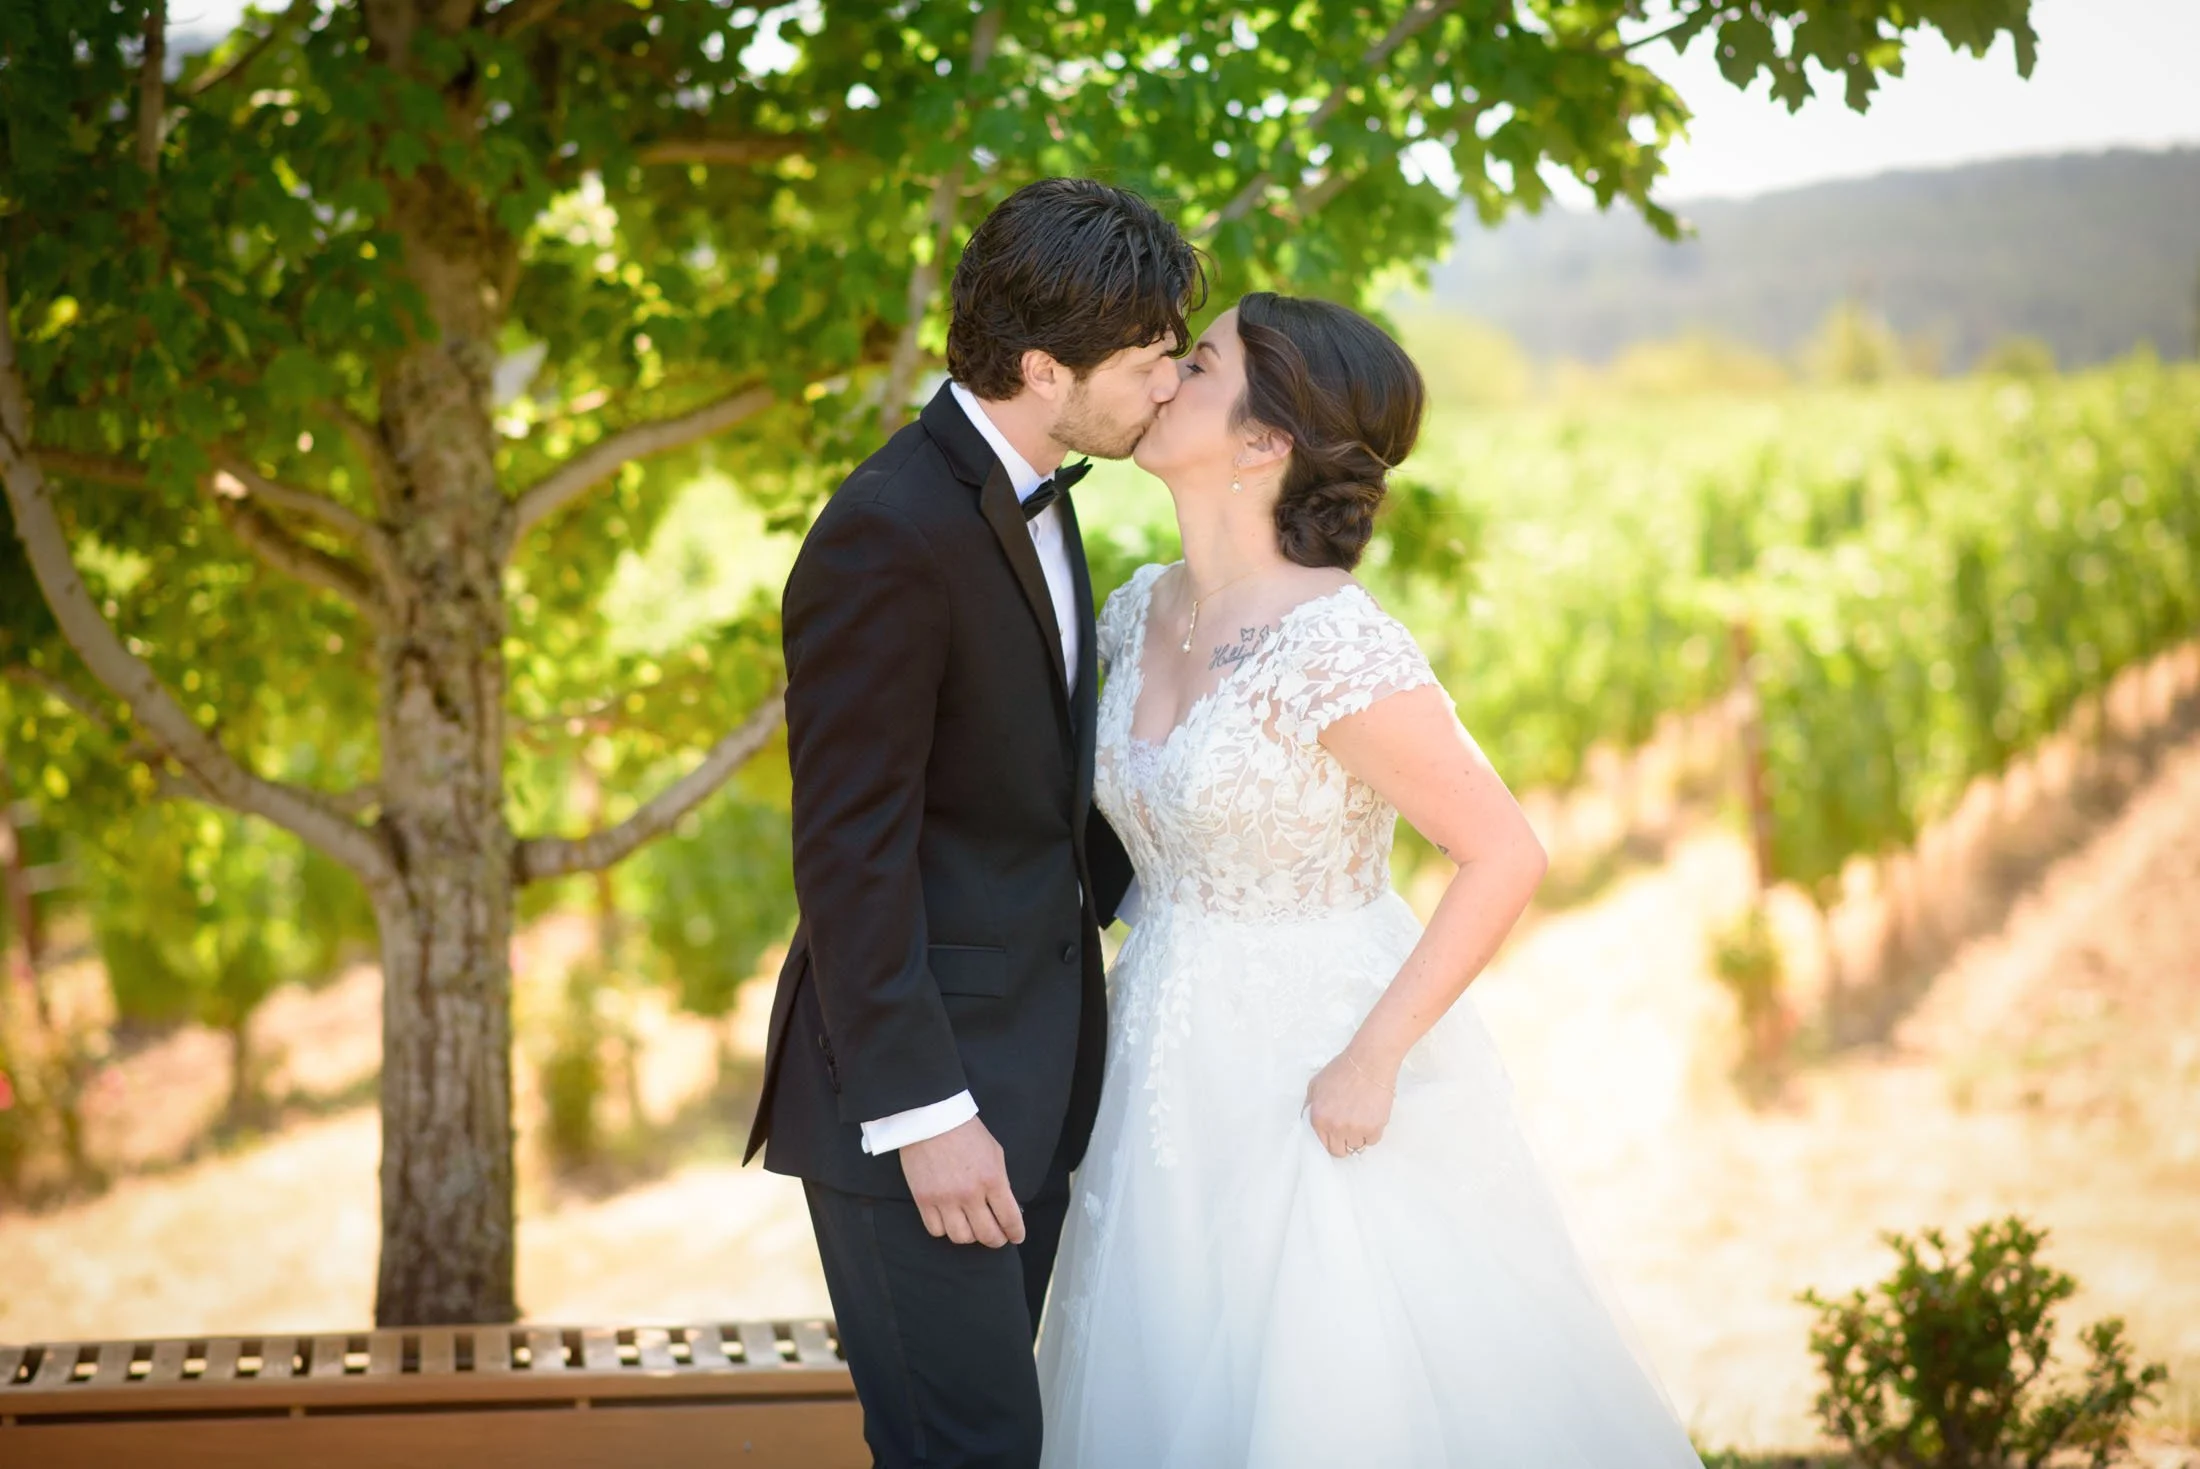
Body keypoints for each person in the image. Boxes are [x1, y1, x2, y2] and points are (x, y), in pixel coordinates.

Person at [1033, 292, 1707, 1467]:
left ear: (1263, 442)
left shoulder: (1333, 644)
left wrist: (1374, 1056)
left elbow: (1504, 851)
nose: (1162, 376)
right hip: (1155, 1059)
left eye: (1198, 364)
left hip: (1310, 1063)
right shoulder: (1140, 605)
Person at [742, 177, 1206, 1469]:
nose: (1169, 382)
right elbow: (850, 850)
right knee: (969, 1450)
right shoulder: (885, 531)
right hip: (918, 1106)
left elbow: (1028, 805)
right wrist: (924, 1113)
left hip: (1035, 1080)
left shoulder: (1045, 493)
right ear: (1045, 368)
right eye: (1149, 358)